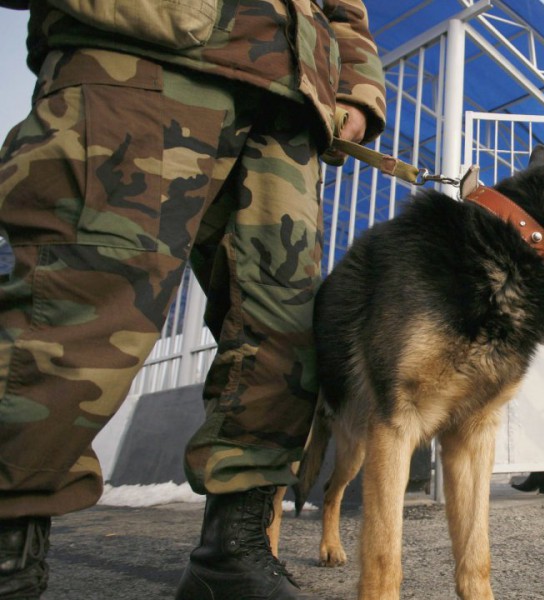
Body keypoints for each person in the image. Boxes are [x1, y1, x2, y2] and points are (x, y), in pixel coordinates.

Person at [0, 2, 386, 598]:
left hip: (288, 105)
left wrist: (358, 90)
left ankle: (232, 556)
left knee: (285, 334)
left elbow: (343, 8)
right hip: (142, 55)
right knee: (77, 306)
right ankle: (10, 559)